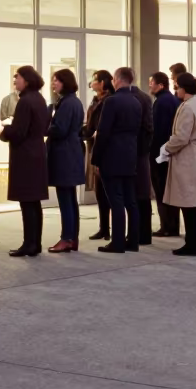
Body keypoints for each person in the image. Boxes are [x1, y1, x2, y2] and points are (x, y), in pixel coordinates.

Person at [0, 66, 50, 257]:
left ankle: (29, 244)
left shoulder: (25, 101)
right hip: (36, 153)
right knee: (33, 203)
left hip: (25, 156)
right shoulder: (39, 99)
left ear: (26, 80)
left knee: (27, 203)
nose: (15, 80)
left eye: (17, 77)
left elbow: (19, 132)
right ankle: (35, 243)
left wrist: (2, 131)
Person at [92, 67, 143, 253]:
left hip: (112, 156)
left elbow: (103, 132)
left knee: (116, 200)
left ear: (117, 79)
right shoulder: (136, 102)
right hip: (130, 154)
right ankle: (133, 241)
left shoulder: (112, 102)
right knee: (131, 200)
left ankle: (118, 242)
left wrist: (95, 159)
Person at [162, 72, 196, 255]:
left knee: (188, 201)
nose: (175, 89)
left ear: (183, 88)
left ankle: (191, 243)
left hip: (188, 156)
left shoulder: (188, 107)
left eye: (177, 86)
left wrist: (166, 148)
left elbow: (181, 137)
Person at [46, 68, 85, 253]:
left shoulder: (67, 103)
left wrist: (45, 126)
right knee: (70, 198)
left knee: (65, 198)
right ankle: (72, 237)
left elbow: (59, 129)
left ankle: (67, 238)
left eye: (57, 80)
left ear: (65, 82)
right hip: (71, 153)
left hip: (64, 154)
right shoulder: (73, 101)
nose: (53, 83)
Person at [148, 72, 181, 238]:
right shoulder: (173, 100)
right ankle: (172, 226)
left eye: (151, 83)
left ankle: (166, 226)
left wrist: (154, 153)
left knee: (162, 191)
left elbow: (158, 130)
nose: (149, 86)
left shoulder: (161, 102)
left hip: (160, 154)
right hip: (170, 152)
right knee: (171, 191)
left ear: (160, 85)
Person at [83, 70, 114, 240]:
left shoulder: (108, 101)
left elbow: (102, 127)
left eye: (94, 80)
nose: (92, 83)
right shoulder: (96, 100)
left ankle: (109, 229)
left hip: (102, 149)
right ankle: (104, 228)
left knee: (106, 190)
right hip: (93, 145)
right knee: (99, 191)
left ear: (102, 83)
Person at [129, 78, 155, 245]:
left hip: (136, 152)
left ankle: (139, 234)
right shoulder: (145, 97)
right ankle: (144, 234)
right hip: (143, 151)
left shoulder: (133, 99)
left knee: (136, 195)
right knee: (142, 194)